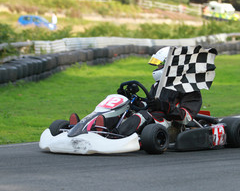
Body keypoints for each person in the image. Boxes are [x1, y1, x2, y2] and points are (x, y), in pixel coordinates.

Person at [70, 47, 202, 137]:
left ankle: (112, 136)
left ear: (170, 65)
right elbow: (150, 106)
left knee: (141, 116)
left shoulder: (189, 88)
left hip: (171, 126)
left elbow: (186, 117)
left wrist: (164, 106)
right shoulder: (158, 85)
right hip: (154, 119)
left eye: (160, 65)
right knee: (124, 112)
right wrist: (135, 100)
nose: (158, 67)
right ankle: (84, 129)